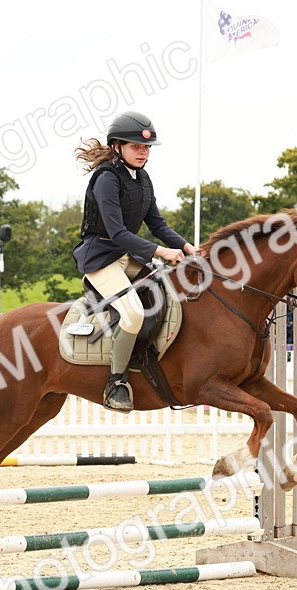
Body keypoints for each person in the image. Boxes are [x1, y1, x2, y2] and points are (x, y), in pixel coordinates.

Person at [72, 112, 195, 411]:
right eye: (136, 147)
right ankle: (115, 383)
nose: (143, 152)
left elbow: (158, 225)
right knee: (134, 313)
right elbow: (117, 232)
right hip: (101, 258)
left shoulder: (142, 178)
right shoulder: (106, 179)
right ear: (117, 147)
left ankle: (147, 358)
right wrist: (161, 252)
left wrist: (187, 247)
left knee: (169, 291)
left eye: (147, 147)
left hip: (127, 256)